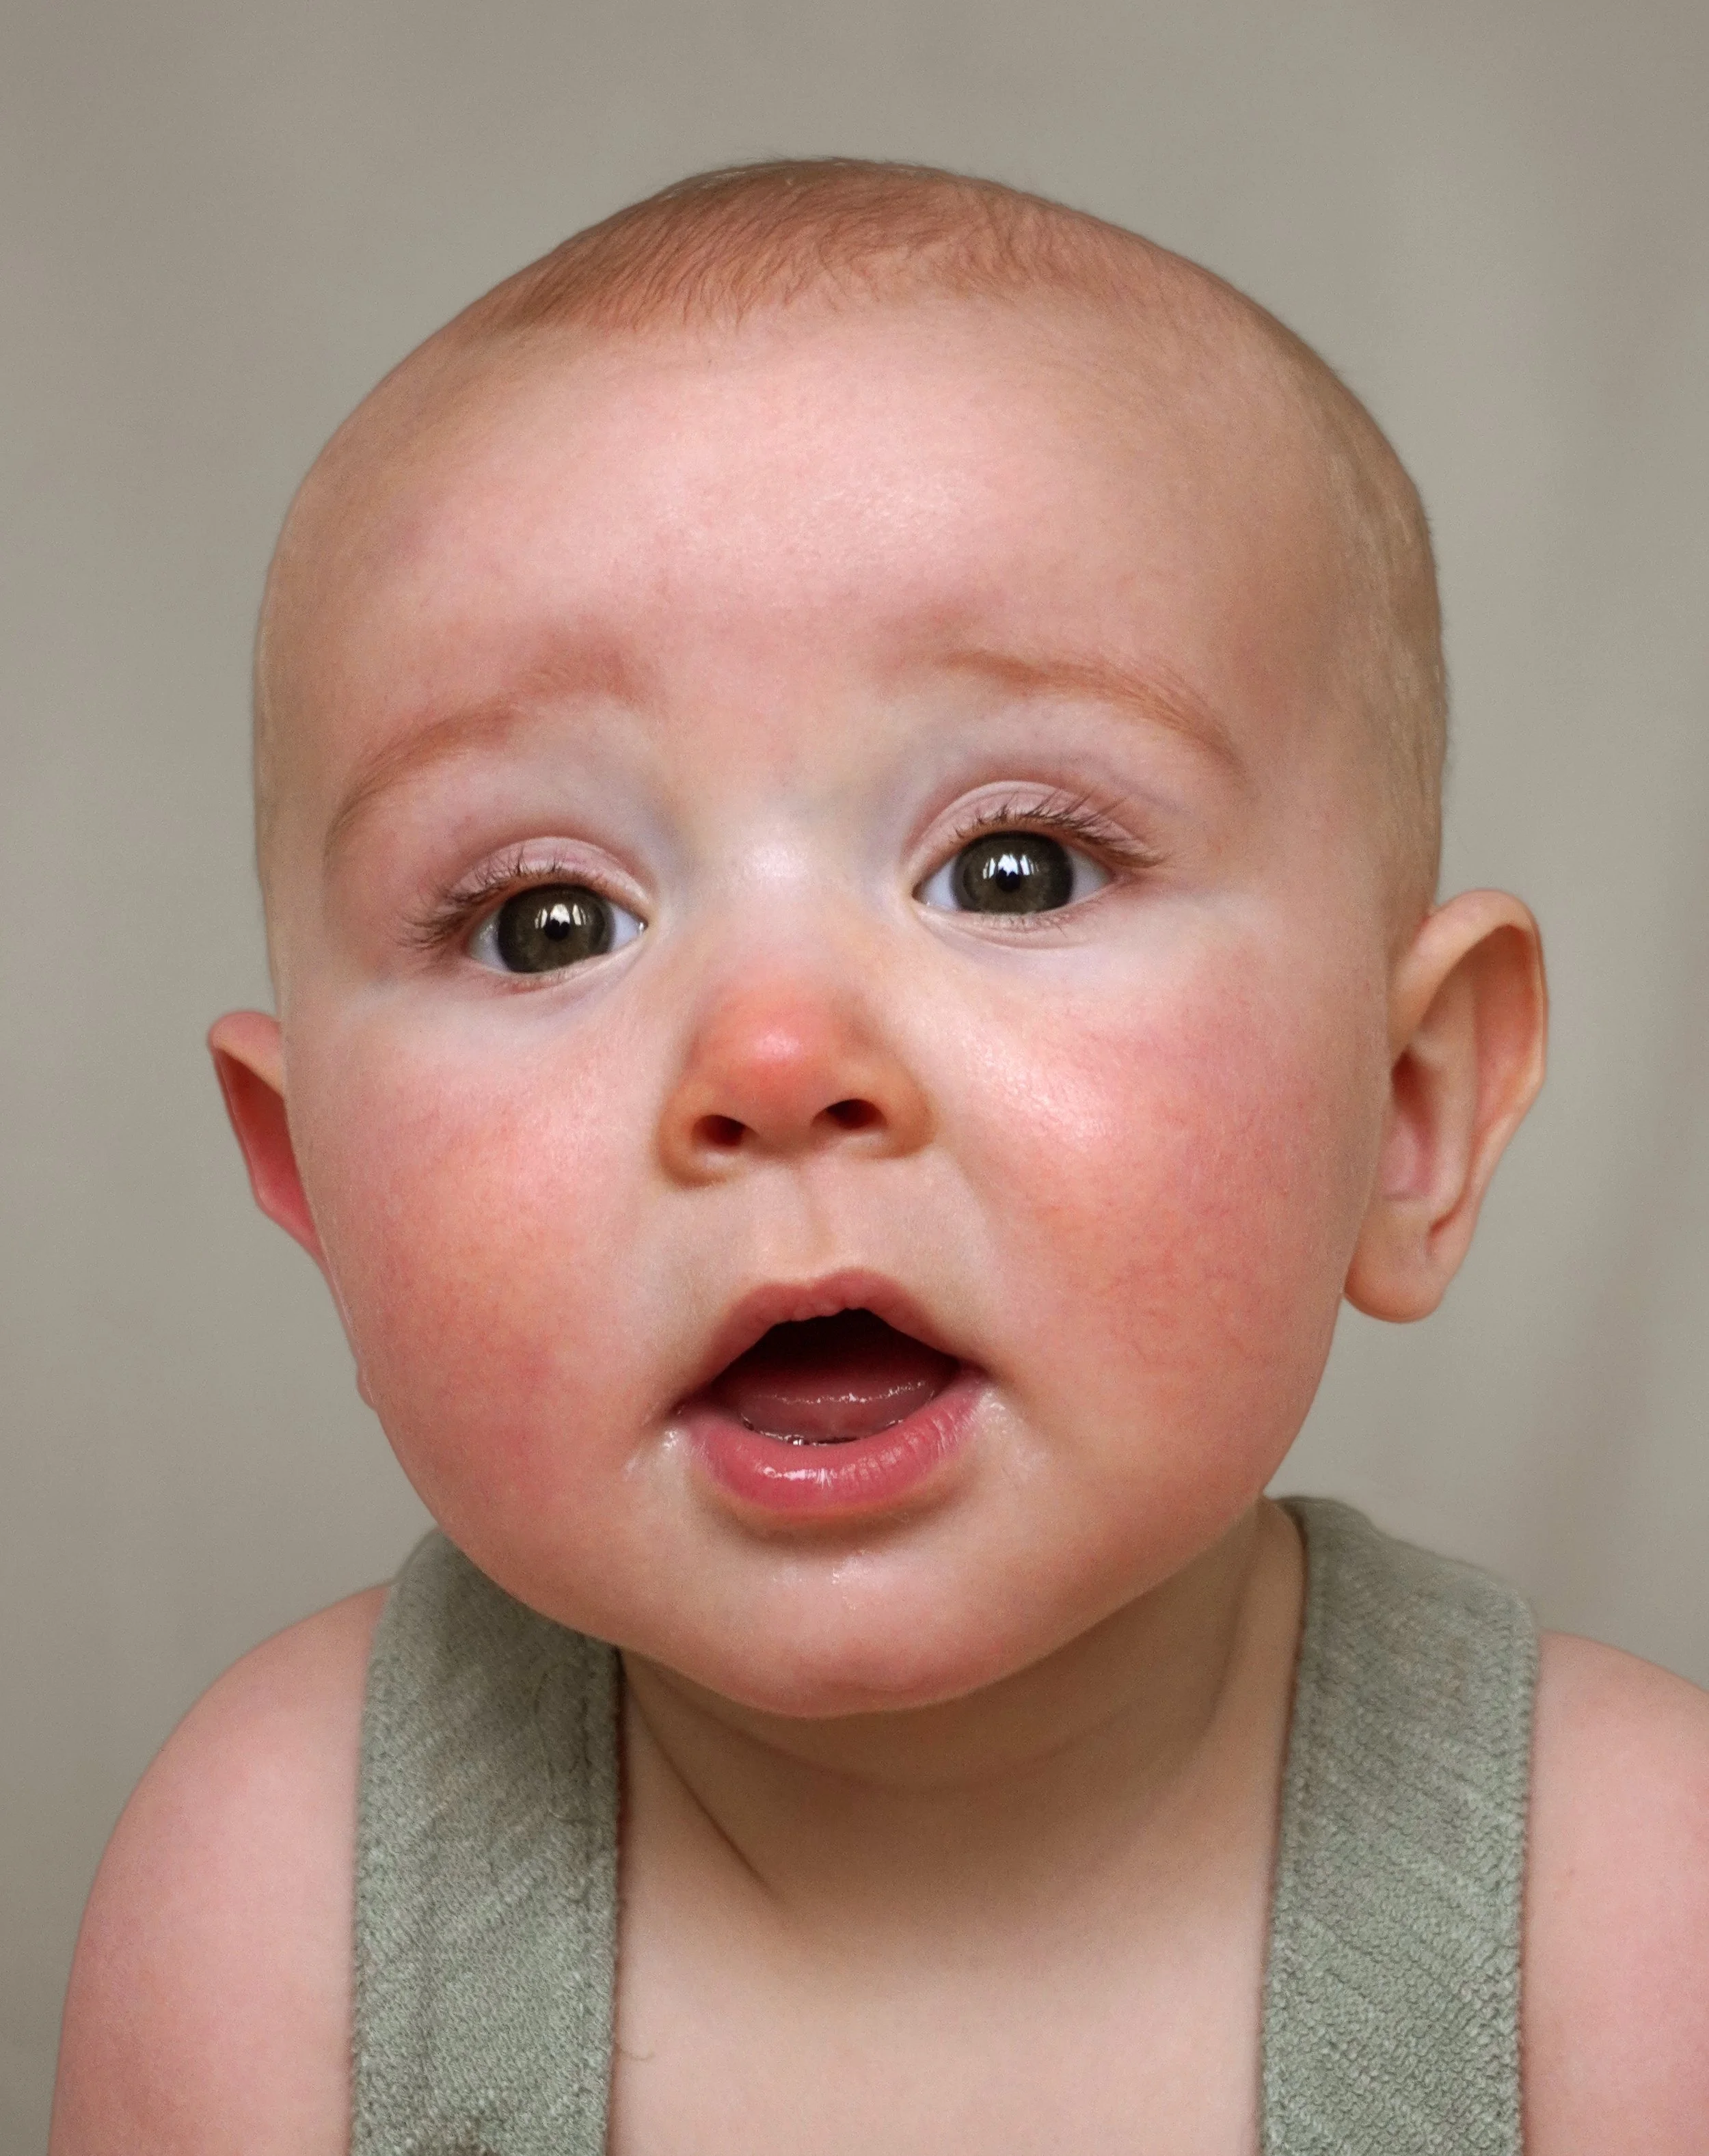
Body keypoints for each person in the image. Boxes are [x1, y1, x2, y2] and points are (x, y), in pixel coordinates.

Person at [49, 160, 1709, 2154]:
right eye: (544, 920)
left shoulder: (1618, 1914)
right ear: (317, 1189)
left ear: (1410, 1108)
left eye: (1013, 870)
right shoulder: (280, 1903)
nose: (772, 1060)